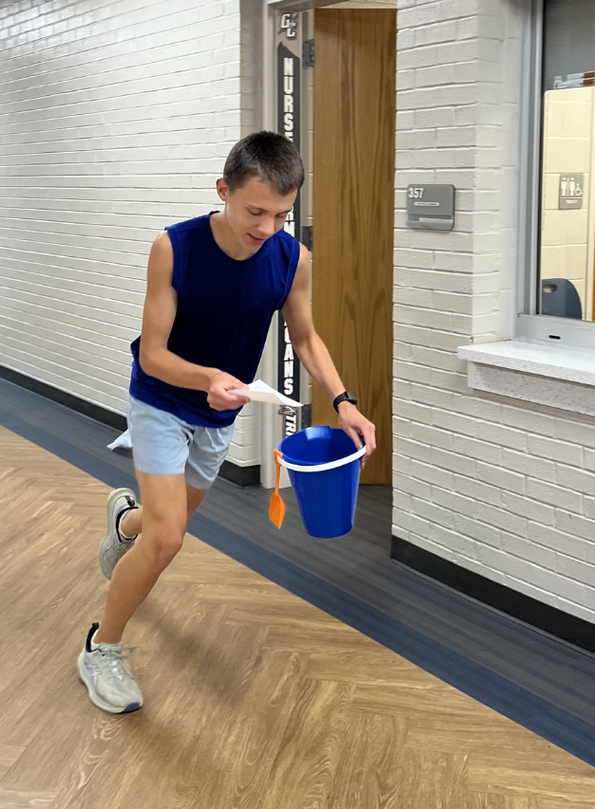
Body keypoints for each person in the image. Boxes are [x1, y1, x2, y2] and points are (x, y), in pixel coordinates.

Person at [77, 131, 377, 713]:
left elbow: (306, 337)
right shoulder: (175, 248)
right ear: (224, 191)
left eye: (282, 215)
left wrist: (344, 400)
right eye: (255, 211)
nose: (267, 228)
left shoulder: (292, 258)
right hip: (163, 400)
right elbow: (153, 354)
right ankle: (101, 647)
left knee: (164, 525)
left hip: (222, 411)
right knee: (169, 540)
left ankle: (125, 522)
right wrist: (208, 378)